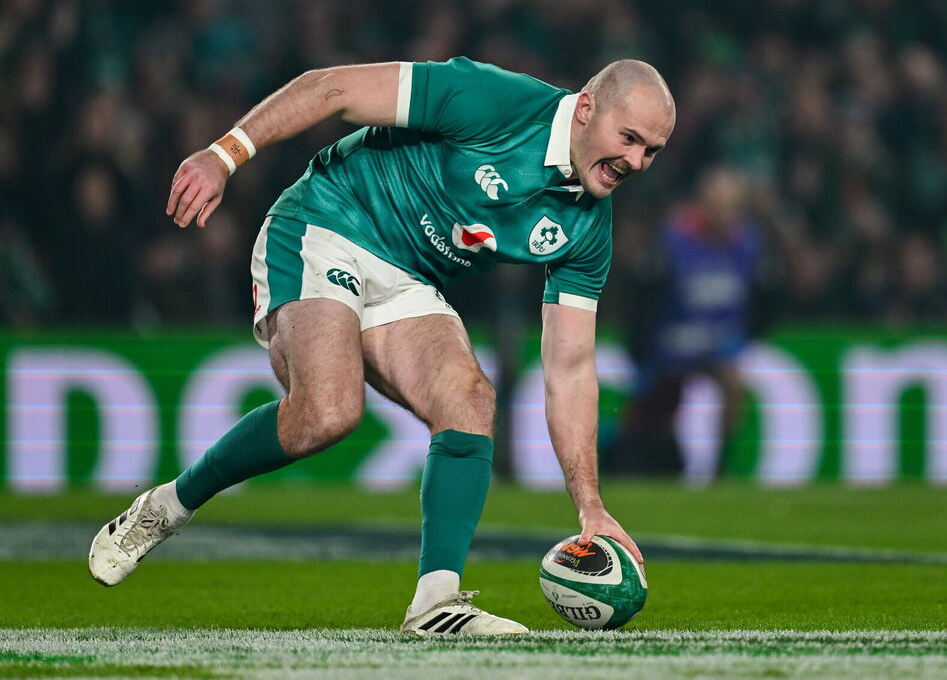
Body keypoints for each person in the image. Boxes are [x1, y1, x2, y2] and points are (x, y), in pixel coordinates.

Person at [88, 56, 675, 636]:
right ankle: (169, 505)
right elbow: (332, 88)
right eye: (628, 139)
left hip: (407, 277)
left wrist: (589, 505)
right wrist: (224, 155)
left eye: (650, 151)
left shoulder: (589, 229)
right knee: (327, 412)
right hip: (327, 222)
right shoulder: (492, 100)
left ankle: (435, 603)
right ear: (588, 108)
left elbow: (569, 367)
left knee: (470, 401)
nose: (635, 162)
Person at [610, 166, 763, 477]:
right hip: (668, 344)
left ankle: (721, 466)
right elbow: (642, 297)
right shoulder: (673, 240)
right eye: (719, 204)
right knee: (648, 417)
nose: (726, 214)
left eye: (733, 206)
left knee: (732, 383)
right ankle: (624, 454)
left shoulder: (748, 244)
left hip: (714, 343)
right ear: (703, 203)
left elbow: (758, 300)